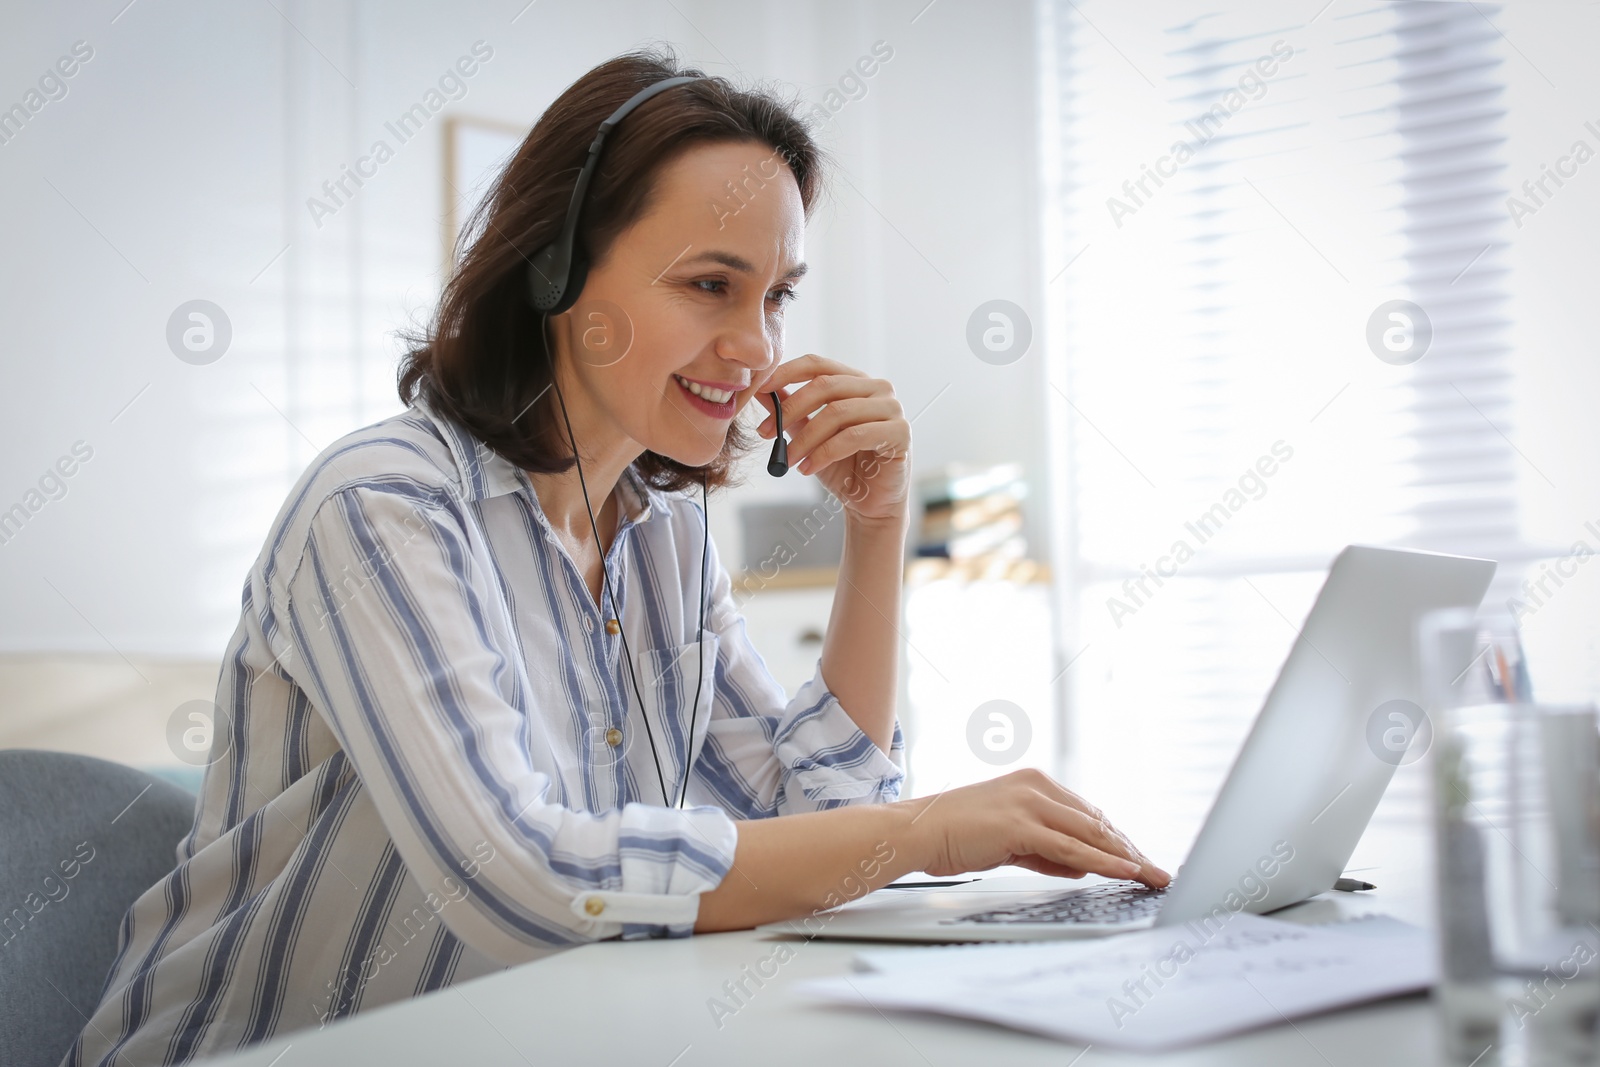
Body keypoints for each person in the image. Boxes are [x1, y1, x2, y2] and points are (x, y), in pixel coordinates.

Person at [63, 47, 1167, 1066]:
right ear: (556, 274)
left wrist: (876, 532)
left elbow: (803, 814)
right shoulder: (383, 507)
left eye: (774, 296)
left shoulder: (660, 535)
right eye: (708, 285)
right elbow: (526, 877)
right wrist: (922, 831)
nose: (756, 347)